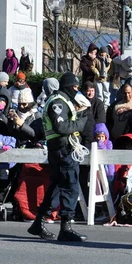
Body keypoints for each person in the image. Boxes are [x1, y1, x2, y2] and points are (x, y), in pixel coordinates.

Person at [27, 72, 88, 242]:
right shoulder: (58, 102)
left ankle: (38, 223)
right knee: (70, 185)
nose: (76, 90)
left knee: (56, 187)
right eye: (74, 87)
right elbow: (61, 127)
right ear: (67, 87)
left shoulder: (61, 100)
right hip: (63, 150)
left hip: (60, 149)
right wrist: (81, 122)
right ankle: (65, 228)